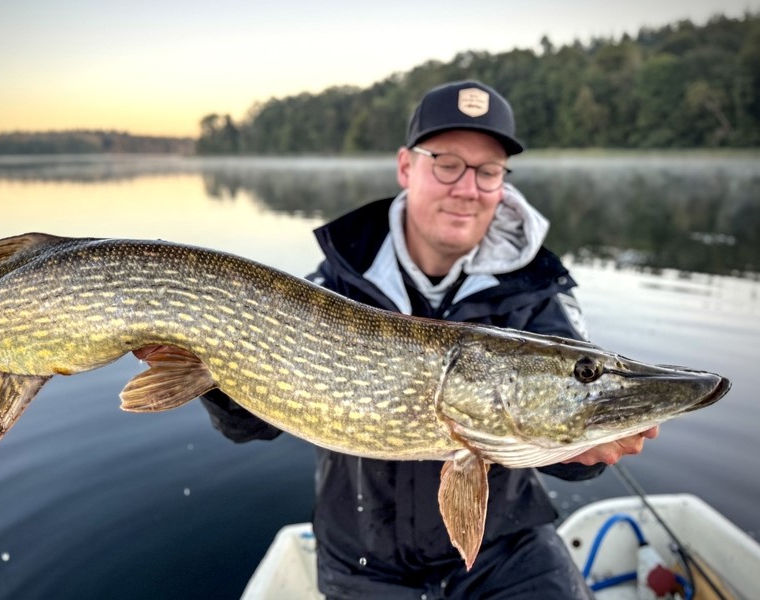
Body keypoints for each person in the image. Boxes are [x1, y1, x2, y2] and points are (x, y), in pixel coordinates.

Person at [200, 80, 659, 599]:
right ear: (406, 167)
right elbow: (247, 426)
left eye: (488, 171)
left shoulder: (538, 293)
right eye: (447, 164)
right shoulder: (332, 287)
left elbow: (563, 434)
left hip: (506, 549)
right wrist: (207, 361)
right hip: (363, 560)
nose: (468, 188)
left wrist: (581, 446)